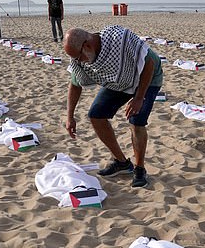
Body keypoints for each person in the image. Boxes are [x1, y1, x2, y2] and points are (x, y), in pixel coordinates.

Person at [63, 26, 163, 188]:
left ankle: (139, 169)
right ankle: (122, 163)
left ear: (87, 45)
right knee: (96, 114)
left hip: (148, 77)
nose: (78, 61)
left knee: (136, 120)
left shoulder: (118, 39)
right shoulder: (79, 59)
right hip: (119, 82)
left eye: (79, 57)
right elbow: (75, 85)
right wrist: (70, 117)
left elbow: (149, 64)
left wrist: (139, 98)